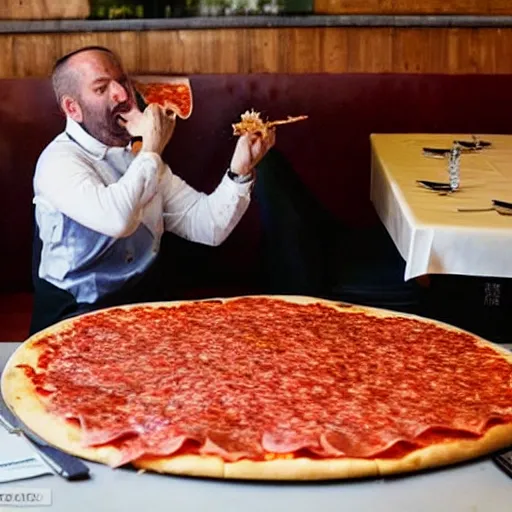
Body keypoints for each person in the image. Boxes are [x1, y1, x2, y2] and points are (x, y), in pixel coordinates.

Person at [29, 46, 275, 334]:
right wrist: (151, 149)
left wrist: (240, 172)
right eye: (101, 89)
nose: (121, 94)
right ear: (73, 108)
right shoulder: (58, 163)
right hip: (75, 314)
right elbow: (117, 220)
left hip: (143, 306)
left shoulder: (142, 157)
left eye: (122, 82)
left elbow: (209, 226)